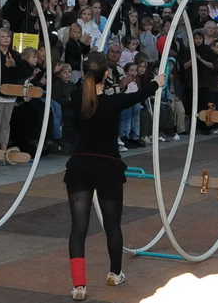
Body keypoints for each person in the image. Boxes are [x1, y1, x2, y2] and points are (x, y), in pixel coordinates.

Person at [65, 54, 159, 301]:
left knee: (78, 228)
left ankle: (79, 286)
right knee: (112, 224)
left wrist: (102, 81)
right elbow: (139, 95)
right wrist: (157, 82)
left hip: (81, 166)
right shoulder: (114, 102)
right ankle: (114, 273)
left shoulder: (77, 98)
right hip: (107, 167)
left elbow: (88, 93)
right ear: (107, 74)